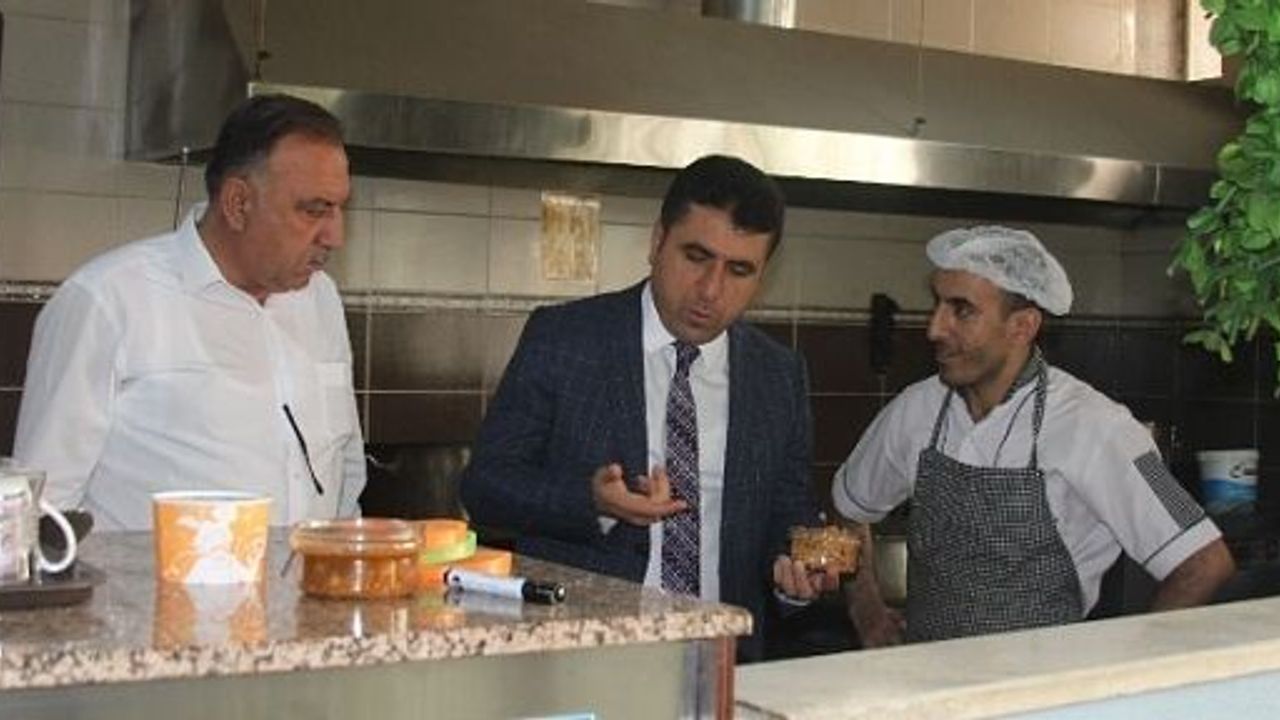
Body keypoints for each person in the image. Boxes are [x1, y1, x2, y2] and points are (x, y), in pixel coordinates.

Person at [461, 155, 829, 661]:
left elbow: (788, 513)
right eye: (696, 257)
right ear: (657, 242)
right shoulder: (566, 339)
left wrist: (796, 571)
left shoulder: (778, 375)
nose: (711, 290)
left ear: (763, 274)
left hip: (719, 661)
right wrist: (592, 501)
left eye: (739, 270)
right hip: (581, 656)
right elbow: (485, 487)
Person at [834, 225, 1235, 646]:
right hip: (926, 679)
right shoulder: (916, 409)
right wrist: (868, 613)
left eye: (962, 310)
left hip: (1044, 682)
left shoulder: (1098, 426)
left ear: (1022, 326)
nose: (935, 329)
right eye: (937, 304)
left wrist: (1134, 668)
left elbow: (1205, 562)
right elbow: (849, 507)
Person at [13, 94, 365, 531]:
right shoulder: (107, 301)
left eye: (340, 209)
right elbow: (41, 505)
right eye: (314, 210)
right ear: (238, 203)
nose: (335, 236)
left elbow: (345, 470)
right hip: (145, 579)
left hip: (306, 575)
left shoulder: (320, 299)